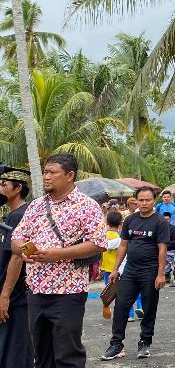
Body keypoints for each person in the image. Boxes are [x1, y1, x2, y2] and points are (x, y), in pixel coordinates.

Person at [10, 154, 107, 368]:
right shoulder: (35, 206)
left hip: (68, 292)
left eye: (52, 172)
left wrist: (58, 254)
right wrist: (25, 251)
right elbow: (16, 239)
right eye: (45, 172)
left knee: (68, 355)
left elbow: (99, 243)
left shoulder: (87, 206)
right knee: (42, 355)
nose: (46, 177)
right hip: (36, 291)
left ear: (70, 175)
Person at [102, 186, 170, 361]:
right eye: (141, 200)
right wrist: (115, 269)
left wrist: (161, 274)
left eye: (148, 200)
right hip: (130, 271)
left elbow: (162, 249)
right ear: (136, 201)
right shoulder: (130, 220)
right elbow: (123, 245)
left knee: (148, 308)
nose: (144, 203)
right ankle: (116, 344)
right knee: (121, 307)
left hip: (150, 271)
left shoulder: (160, 222)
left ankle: (145, 342)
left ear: (154, 200)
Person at [0, 167, 33, 368]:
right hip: (17, 292)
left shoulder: (18, 217)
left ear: (18, 188)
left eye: (4, 185)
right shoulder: (15, 215)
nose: (0, 189)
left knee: (14, 347)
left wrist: (5, 295)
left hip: (14, 293)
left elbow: (18, 257)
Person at [164, 212, 175, 284]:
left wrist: (165, 245)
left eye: (167, 219)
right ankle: (166, 274)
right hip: (163, 250)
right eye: (164, 219)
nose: (166, 221)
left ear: (170, 219)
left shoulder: (174, 228)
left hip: (173, 250)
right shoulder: (159, 229)